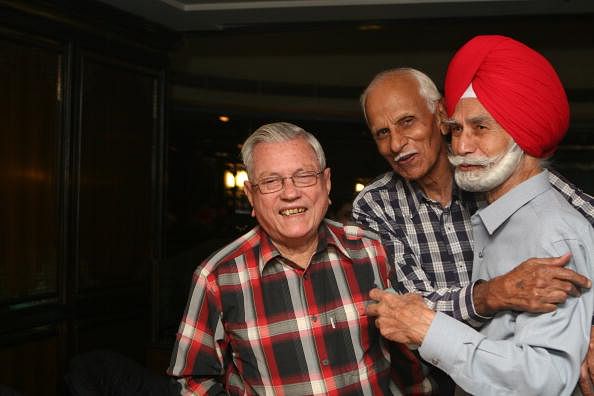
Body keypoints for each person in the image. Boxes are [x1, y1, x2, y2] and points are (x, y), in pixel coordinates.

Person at [366, 34, 594, 395]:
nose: (461, 145)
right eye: (458, 130)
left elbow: (545, 379)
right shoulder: (484, 199)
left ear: (437, 116)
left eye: (480, 128)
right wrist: (489, 296)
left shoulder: (550, 228)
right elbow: (406, 301)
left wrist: (587, 320)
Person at [167, 122, 431, 395]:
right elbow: (192, 383)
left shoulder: (372, 251)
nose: (290, 193)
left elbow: (411, 362)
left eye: (304, 176)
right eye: (270, 181)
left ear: (326, 183)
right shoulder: (217, 277)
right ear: (251, 196)